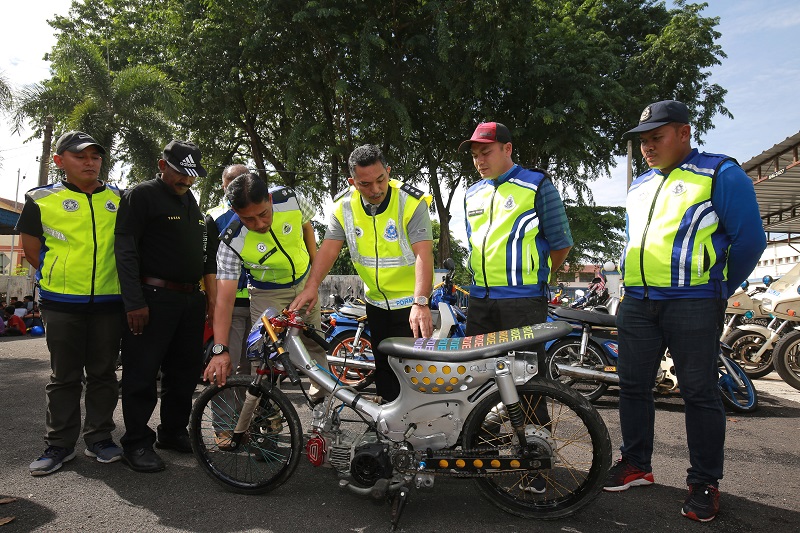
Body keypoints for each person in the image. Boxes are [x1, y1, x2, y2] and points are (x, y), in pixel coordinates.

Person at [603, 100, 767, 522]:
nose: (648, 147)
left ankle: (704, 482)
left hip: (693, 301)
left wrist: (717, 289)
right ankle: (637, 464)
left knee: (699, 392)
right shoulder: (639, 185)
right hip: (637, 302)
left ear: (684, 133)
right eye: (642, 141)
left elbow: (749, 240)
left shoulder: (719, 172)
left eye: (656, 137)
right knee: (633, 386)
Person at [459, 121, 573, 494]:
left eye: (486, 151)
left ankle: (536, 466)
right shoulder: (471, 194)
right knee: (476, 379)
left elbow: (560, 243)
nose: (479, 160)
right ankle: (481, 452)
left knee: (528, 382)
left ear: (508, 149)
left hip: (523, 301)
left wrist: (537, 280)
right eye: (475, 154)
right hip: (479, 300)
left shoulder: (537, 184)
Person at [17, 131, 124, 475]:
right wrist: (59, 276)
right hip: (61, 303)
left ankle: (100, 439)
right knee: (63, 377)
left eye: (95, 156)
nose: (90, 162)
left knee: (103, 374)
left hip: (109, 301)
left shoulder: (120, 199)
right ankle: (59, 445)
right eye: (81, 156)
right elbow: (32, 249)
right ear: (60, 161)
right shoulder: (41, 199)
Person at [290, 144, 434, 402]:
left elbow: (424, 253)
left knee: (415, 376)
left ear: (388, 171)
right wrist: (312, 285)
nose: (376, 189)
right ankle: (391, 436)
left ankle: (422, 435)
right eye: (365, 184)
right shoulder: (344, 206)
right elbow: (329, 249)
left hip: (411, 305)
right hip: (376, 304)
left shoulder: (411, 202)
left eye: (381, 179)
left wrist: (421, 302)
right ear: (352, 182)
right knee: (386, 375)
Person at [115, 139, 216, 473]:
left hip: (189, 300)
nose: (186, 180)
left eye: (191, 176)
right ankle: (136, 442)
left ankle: (171, 432)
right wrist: (134, 301)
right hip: (152, 298)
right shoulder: (141, 195)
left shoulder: (191, 202)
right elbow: (126, 250)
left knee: (184, 373)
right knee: (142, 373)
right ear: (162, 165)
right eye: (179, 173)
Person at [204, 172, 326, 402]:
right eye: (248, 220)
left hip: (305, 283)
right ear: (234, 211)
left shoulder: (292, 199)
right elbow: (224, 301)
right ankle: (268, 417)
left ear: (270, 200)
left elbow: (307, 227)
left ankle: (322, 410)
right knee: (265, 358)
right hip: (266, 292)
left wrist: (314, 281)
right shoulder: (230, 241)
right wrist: (220, 349)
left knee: (315, 347)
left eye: (263, 214)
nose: (259, 224)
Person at [205, 164, 253, 377]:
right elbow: (209, 265)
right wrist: (213, 303)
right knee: (228, 364)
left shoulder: (263, 208)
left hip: (259, 298)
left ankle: (255, 411)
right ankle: (227, 412)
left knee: (255, 367)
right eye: (229, 185)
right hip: (232, 304)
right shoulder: (214, 216)